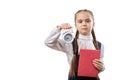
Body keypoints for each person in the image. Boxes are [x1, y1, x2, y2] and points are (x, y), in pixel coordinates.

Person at [44, 9, 105, 80]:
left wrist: (102, 67)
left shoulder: (100, 45)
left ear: (93, 24)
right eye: (80, 21)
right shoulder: (69, 43)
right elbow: (48, 42)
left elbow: (100, 65)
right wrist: (58, 28)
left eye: (88, 21)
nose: (84, 24)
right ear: (76, 25)